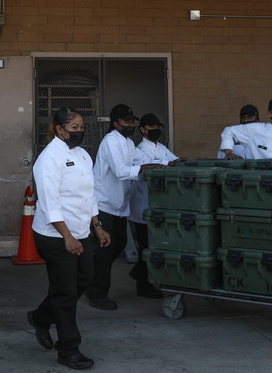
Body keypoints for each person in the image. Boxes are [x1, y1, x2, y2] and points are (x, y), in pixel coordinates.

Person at [27, 107, 110, 371]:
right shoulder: (49, 159)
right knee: (65, 292)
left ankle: (40, 317)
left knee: (84, 279)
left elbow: (90, 195)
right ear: (59, 129)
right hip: (55, 236)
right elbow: (50, 204)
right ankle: (69, 350)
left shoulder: (83, 155)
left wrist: (97, 226)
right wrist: (67, 237)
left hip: (81, 233)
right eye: (74, 128)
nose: (80, 131)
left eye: (82, 127)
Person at [85, 103, 144, 310]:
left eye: (132, 121)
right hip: (103, 205)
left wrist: (164, 163)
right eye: (126, 122)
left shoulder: (128, 142)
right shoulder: (111, 141)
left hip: (119, 206)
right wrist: (145, 167)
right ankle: (97, 294)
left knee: (118, 245)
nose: (130, 125)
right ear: (115, 123)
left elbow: (142, 159)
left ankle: (88, 279)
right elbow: (120, 171)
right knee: (105, 251)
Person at [128, 113, 180, 298]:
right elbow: (153, 165)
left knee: (152, 245)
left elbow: (175, 161)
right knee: (146, 246)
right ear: (142, 130)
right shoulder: (141, 149)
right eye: (152, 127)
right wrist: (171, 164)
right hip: (143, 206)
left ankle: (139, 274)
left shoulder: (161, 147)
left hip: (157, 206)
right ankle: (142, 285)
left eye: (158, 126)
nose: (156, 130)